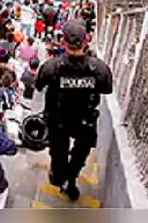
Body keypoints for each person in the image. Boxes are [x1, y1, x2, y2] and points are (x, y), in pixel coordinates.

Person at [35, 20, 113, 201]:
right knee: (79, 155)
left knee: (58, 152)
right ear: (87, 41)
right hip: (84, 121)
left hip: (58, 120)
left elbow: (38, 86)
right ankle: (70, 180)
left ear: (63, 41)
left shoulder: (51, 66)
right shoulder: (99, 69)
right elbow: (106, 89)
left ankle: (60, 176)